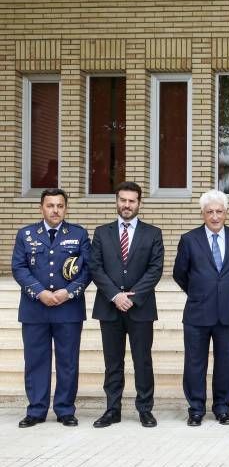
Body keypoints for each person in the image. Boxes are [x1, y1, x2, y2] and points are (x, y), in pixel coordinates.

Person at [11, 189, 90, 428]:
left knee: (68, 361)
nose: (55, 210)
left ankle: (65, 409)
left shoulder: (78, 234)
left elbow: (88, 269)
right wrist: (39, 291)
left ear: (66, 208)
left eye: (60, 206)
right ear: (41, 207)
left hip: (68, 308)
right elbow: (19, 267)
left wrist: (68, 292)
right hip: (35, 308)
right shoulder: (26, 234)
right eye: (50, 205)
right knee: (36, 360)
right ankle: (36, 410)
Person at [89, 181, 164, 428]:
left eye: (132, 201)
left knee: (143, 360)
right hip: (109, 307)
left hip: (140, 308)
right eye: (123, 200)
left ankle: (145, 409)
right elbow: (95, 267)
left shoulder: (153, 233)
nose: (127, 205)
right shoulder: (101, 232)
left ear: (139, 203)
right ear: (116, 201)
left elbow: (155, 270)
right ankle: (113, 410)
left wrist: (132, 297)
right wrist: (115, 295)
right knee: (113, 361)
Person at [173, 189, 229, 426]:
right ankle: (196, 408)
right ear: (202, 214)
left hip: (227, 311)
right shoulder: (189, 239)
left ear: (226, 213)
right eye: (209, 212)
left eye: (219, 211)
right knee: (195, 363)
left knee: (226, 362)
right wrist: (199, 292)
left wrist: (224, 292)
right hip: (197, 312)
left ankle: (222, 407)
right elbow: (179, 274)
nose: (214, 216)